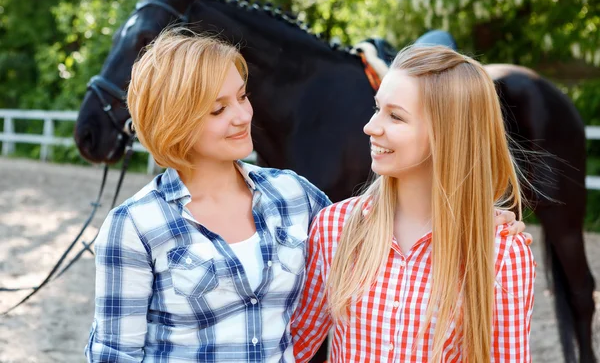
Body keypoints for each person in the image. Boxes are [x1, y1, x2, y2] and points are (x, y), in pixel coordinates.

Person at [85, 28, 528, 362]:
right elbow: (113, 353)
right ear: (175, 120)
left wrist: (479, 216)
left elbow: (293, 330)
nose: (242, 116)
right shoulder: (136, 227)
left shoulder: (295, 198)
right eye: (218, 109)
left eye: (242, 96)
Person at [292, 45, 535, 362]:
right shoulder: (334, 227)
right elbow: (294, 347)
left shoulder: (502, 253)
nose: (371, 127)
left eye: (395, 116)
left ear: (447, 134)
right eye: (377, 108)